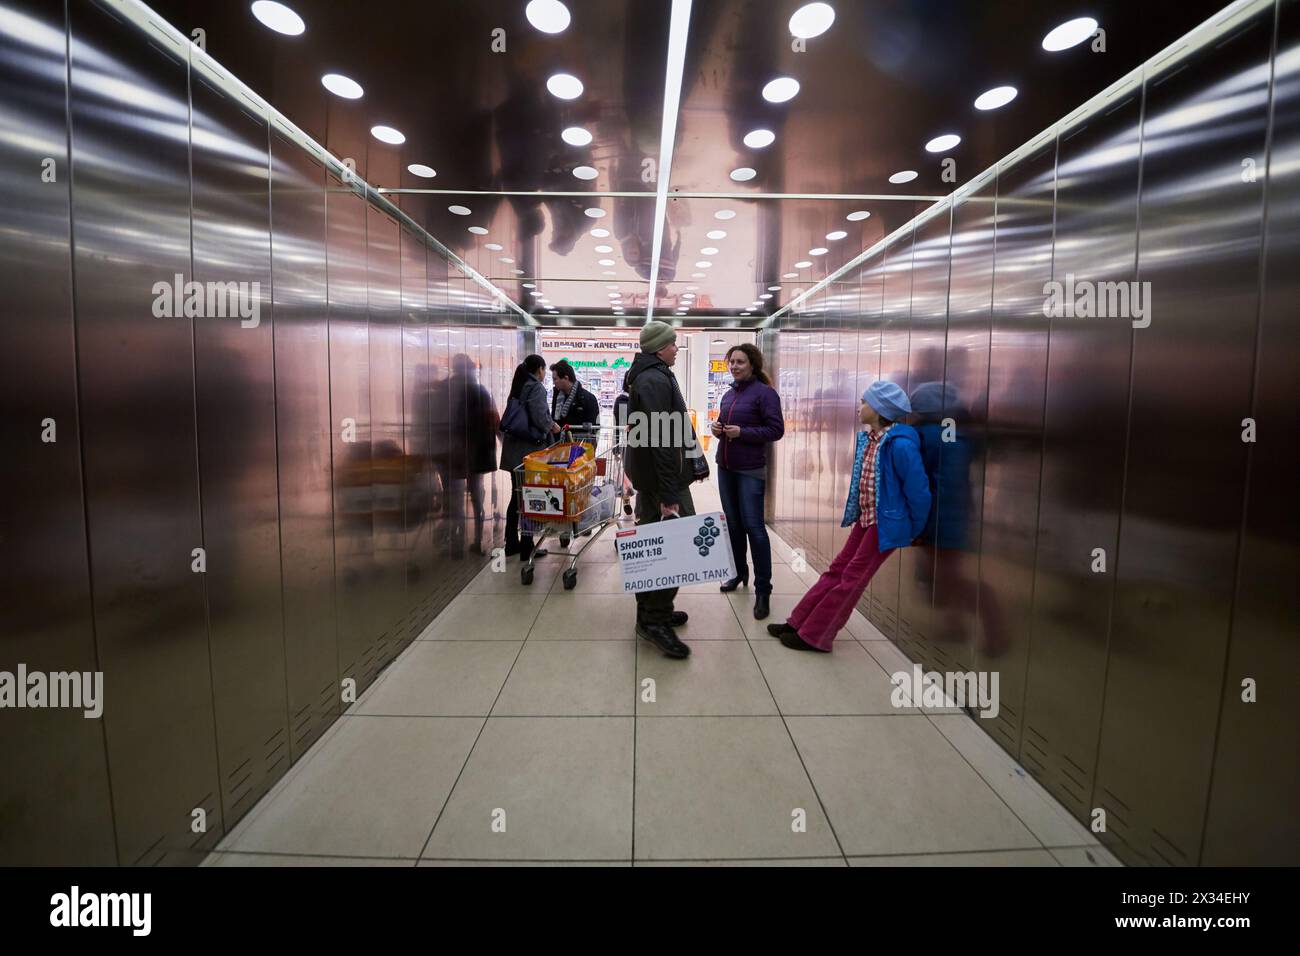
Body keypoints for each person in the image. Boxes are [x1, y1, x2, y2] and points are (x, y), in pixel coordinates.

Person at [767, 381, 931, 652]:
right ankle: (799, 621)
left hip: (885, 523)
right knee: (837, 570)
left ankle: (816, 635)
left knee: (851, 579)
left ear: (879, 410)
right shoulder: (870, 440)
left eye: (865, 402)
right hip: (866, 518)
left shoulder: (901, 446)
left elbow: (919, 493)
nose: (859, 406)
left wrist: (915, 530)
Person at [624, 321, 701, 659]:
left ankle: (650, 612)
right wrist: (670, 492)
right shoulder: (654, 378)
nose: (675, 349)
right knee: (678, 545)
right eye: (672, 344)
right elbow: (661, 439)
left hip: (653, 478)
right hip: (662, 481)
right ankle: (655, 620)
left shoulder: (651, 374)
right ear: (659, 347)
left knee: (654, 544)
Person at [710, 343, 785, 620]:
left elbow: (776, 430)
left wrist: (743, 432)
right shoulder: (729, 395)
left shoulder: (765, 394)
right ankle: (739, 572)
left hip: (750, 469)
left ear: (752, 364)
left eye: (740, 362)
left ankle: (763, 589)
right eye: (731, 362)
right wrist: (716, 430)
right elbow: (722, 425)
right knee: (732, 525)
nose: (734, 366)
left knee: (754, 528)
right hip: (726, 467)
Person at [500, 354, 561, 561]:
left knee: (517, 497)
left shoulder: (519, 385)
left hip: (513, 451)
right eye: (544, 371)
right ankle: (526, 546)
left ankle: (511, 542)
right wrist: (553, 426)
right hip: (527, 454)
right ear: (540, 370)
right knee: (527, 498)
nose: (545, 375)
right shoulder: (536, 387)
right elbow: (540, 417)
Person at [449, 354, 499, 555]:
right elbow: (493, 420)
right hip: (477, 453)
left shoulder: (449, 390)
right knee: (476, 497)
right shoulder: (481, 392)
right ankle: (477, 540)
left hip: (456, 452)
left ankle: (456, 541)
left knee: (454, 498)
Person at [549, 359, 600, 429]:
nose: (553, 382)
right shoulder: (557, 396)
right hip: (559, 439)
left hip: (578, 439)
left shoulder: (588, 398)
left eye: (555, 379)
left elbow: (594, 428)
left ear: (566, 378)